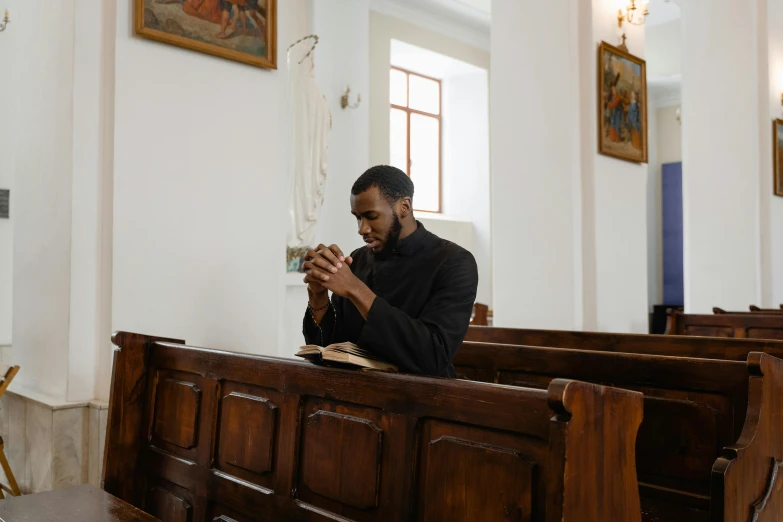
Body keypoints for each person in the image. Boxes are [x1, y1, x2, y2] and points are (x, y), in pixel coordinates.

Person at [301, 165, 478, 377]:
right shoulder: (357, 260)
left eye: (371, 216)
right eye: (358, 217)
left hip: (423, 399)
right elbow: (332, 349)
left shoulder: (454, 262)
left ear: (404, 207)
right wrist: (318, 294)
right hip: (354, 394)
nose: (362, 229)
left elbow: (434, 355)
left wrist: (356, 289)